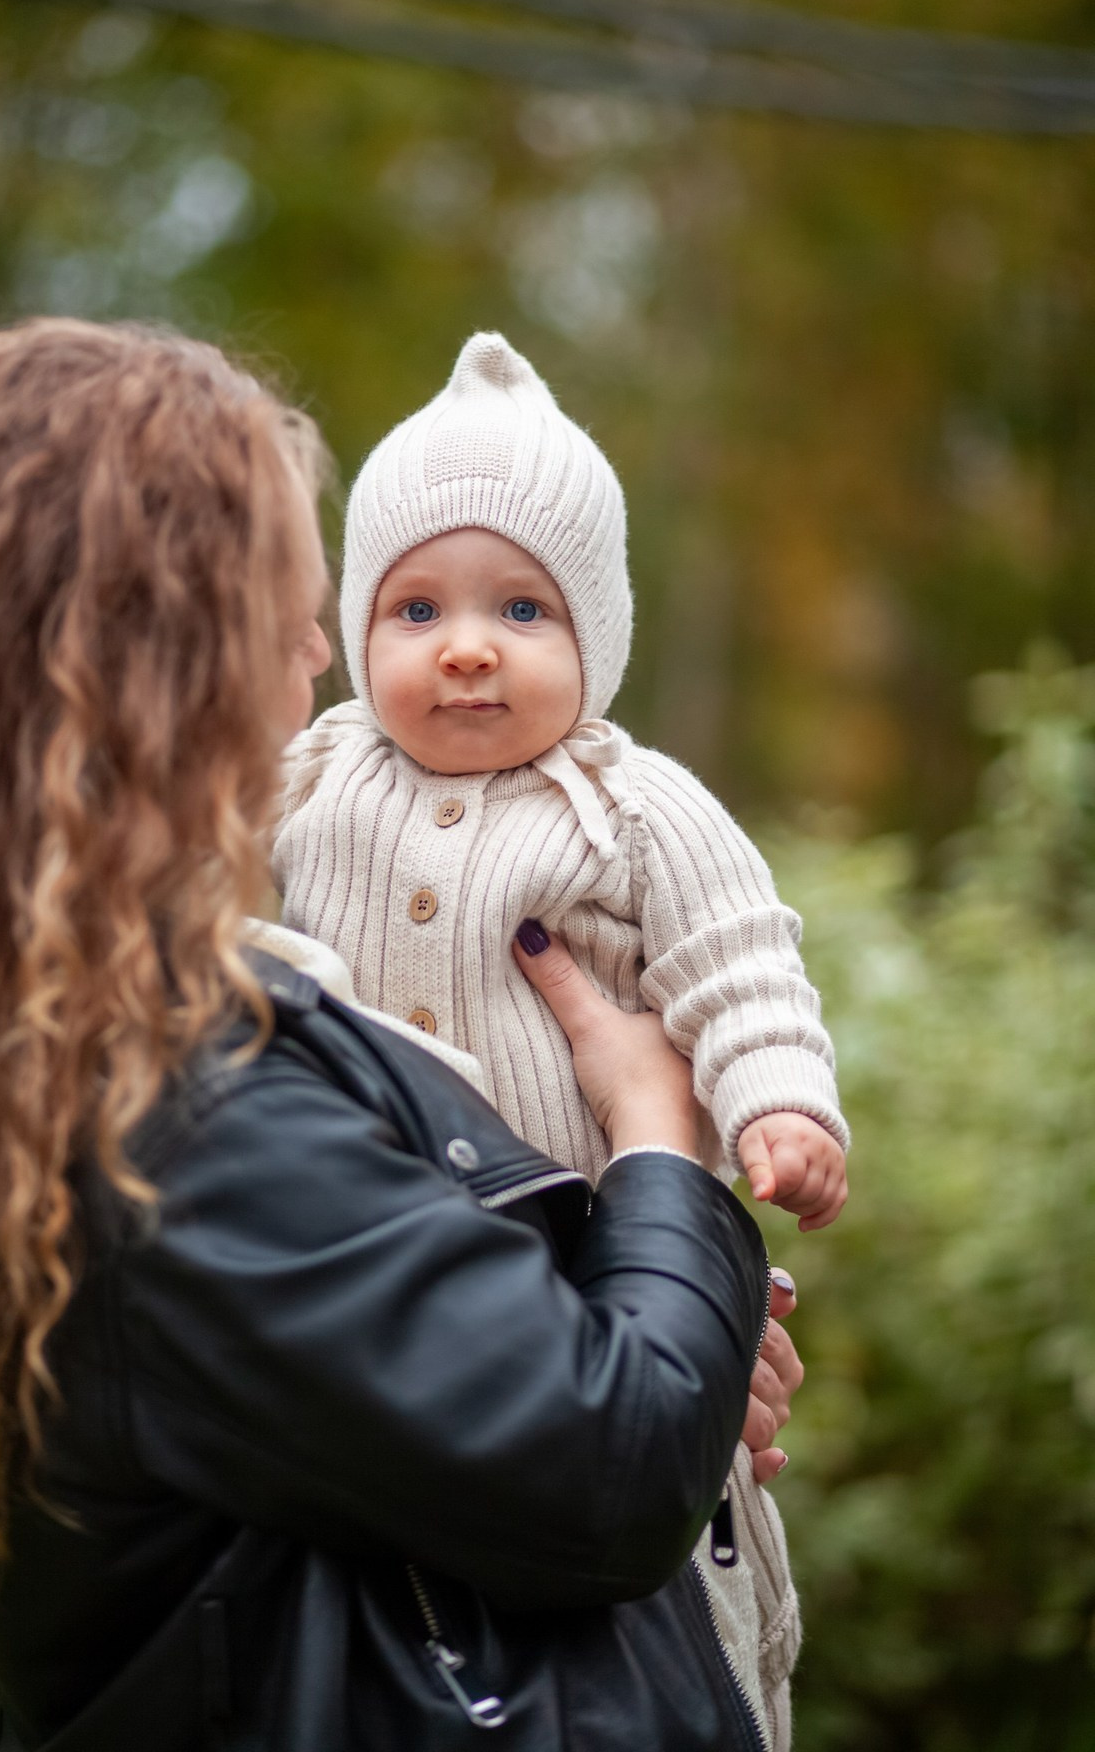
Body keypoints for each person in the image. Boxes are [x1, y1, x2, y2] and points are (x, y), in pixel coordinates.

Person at [0, 319, 800, 1751]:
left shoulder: (65, 1038)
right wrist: (657, 1147)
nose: (313, 670)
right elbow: (607, 1466)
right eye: (285, 613)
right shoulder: (180, 1132)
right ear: (155, 678)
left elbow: (459, 1367)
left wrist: (670, 1317)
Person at [273, 330, 850, 1744]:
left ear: (597, 635)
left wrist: (779, 1103)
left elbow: (737, 961)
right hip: (373, 1264)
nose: (467, 645)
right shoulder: (307, 776)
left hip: (588, 1252)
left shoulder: (635, 805)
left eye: (522, 609)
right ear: (355, 632)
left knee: (662, 1506)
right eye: (416, 610)